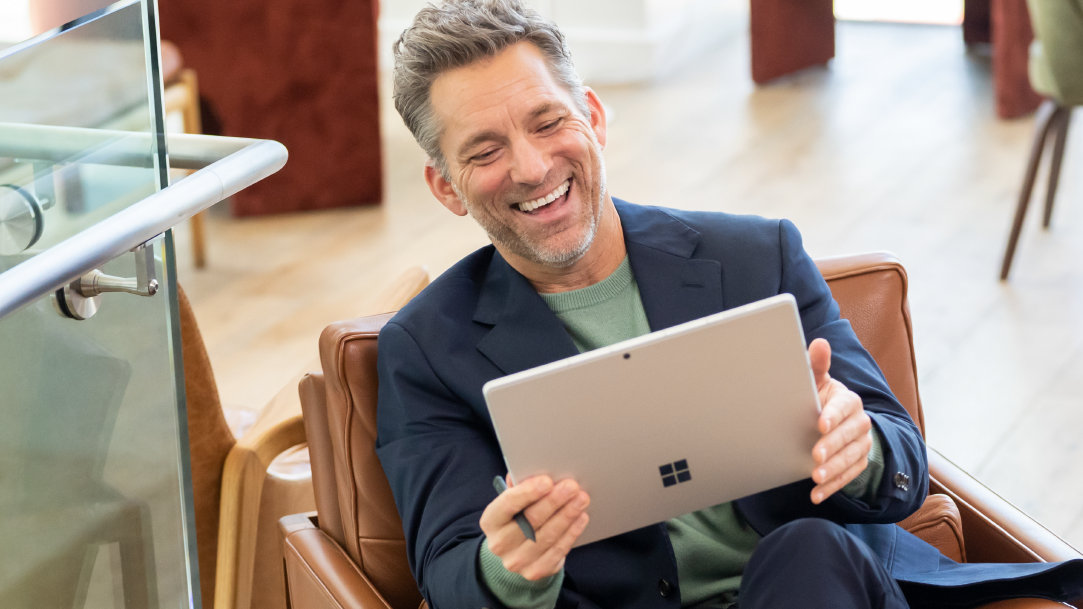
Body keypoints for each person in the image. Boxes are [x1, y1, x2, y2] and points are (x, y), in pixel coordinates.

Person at [375, 1, 1083, 608]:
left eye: (546, 120)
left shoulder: (754, 256)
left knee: (805, 550)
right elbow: (449, 566)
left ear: (591, 116)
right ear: (445, 188)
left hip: (819, 587)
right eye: (485, 150)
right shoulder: (425, 348)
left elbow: (901, 462)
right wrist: (510, 565)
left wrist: (856, 444)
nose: (530, 167)